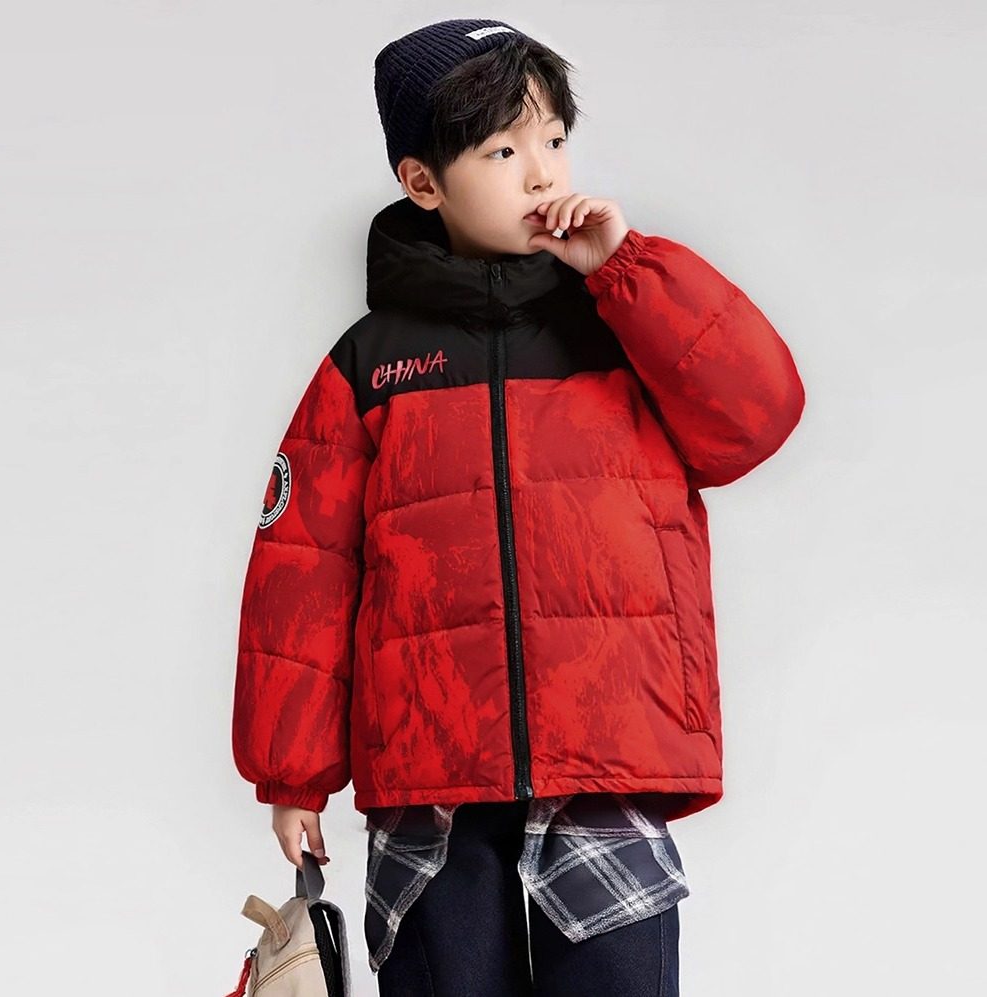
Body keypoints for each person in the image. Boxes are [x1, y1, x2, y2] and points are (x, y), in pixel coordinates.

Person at [231, 17, 806, 997]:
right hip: (431, 776)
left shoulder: (623, 322)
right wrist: (292, 773)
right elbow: (304, 573)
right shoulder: (371, 365)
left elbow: (755, 415)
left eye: (552, 140)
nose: (541, 173)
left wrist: (628, 270)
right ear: (423, 182)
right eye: (501, 151)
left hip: (605, 751)